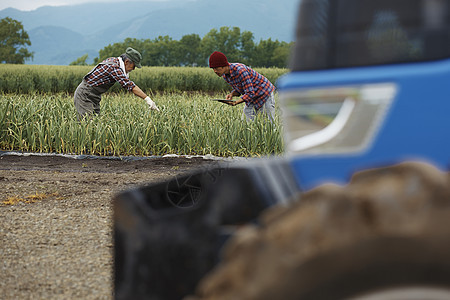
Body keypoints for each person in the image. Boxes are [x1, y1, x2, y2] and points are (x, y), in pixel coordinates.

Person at [74, 47, 159, 120]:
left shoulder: (115, 62)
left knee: (96, 124)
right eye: (134, 66)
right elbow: (129, 85)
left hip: (94, 96)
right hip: (85, 95)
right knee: (87, 125)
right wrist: (147, 99)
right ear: (126, 62)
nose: (133, 69)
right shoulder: (113, 67)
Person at [209, 51, 276, 121]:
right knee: (245, 123)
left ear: (224, 65)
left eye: (216, 68)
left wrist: (236, 102)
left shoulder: (240, 71)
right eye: (213, 69)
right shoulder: (225, 76)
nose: (215, 71)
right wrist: (232, 94)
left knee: (268, 125)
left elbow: (250, 93)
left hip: (264, 94)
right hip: (252, 97)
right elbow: (240, 90)